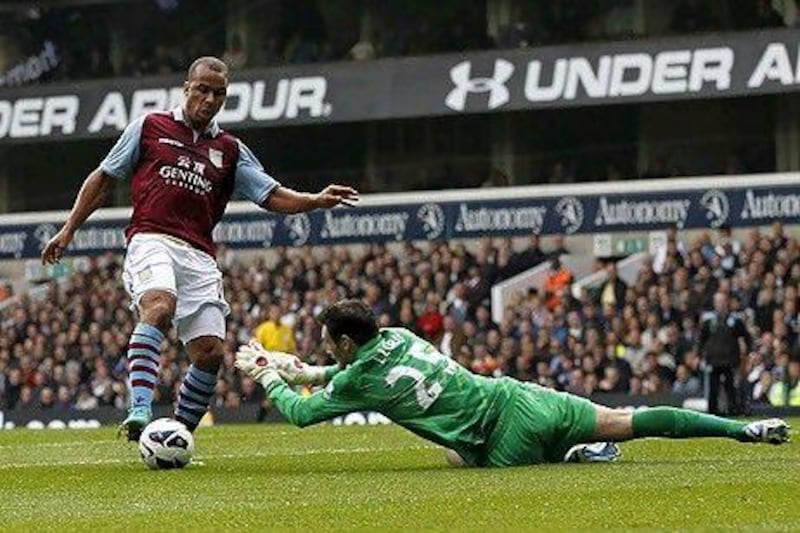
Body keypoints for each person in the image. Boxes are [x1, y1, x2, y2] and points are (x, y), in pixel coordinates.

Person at [41, 56, 359, 441]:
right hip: (151, 238)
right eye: (203, 90)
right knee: (158, 305)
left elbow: (271, 195)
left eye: (219, 93)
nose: (209, 99)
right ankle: (140, 410)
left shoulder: (230, 149)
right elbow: (104, 177)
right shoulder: (149, 127)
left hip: (199, 256)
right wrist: (69, 230)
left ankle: (177, 435)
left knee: (210, 353)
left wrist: (316, 200)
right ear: (187, 88)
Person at [235, 300, 789, 468]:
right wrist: (296, 367)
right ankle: (741, 431)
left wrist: (266, 374)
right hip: (518, 394)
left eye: (329, 340)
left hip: (499, 440)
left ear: (347, 344)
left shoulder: (359, 379)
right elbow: (331, 373)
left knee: (458, 461)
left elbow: (304, 413)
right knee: (630, 420)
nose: (327, 347)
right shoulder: (397, 335)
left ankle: (575, 456)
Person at [698, 291, 751, 415]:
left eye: (722, 301)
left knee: (731, 389)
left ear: (727, 302)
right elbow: (701, 339)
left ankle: (733, 412)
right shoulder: (709, 322)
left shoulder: (735, 321)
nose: (720, 304)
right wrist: (699, 356)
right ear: (714, 304)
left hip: (730, 361)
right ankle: (712, 414)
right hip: (713, 361)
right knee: (713, 390)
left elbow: (746, 337)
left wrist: (747, 353)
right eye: (717, 302)